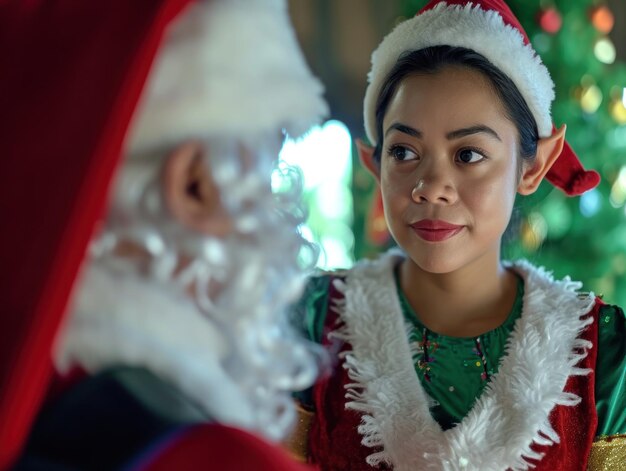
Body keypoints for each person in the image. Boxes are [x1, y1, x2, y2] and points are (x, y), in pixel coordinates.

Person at [291, 0, 625, 469]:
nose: (430, 188)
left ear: (534, 167)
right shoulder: (309, 325)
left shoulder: (601, 357)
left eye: (468, 154)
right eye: (404, 152)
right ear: (374, 163)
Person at [0, 0, 328, 469]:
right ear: (196, 185)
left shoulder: (30, 395)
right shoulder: (210, 458)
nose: (277, 211)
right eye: (266, 173)